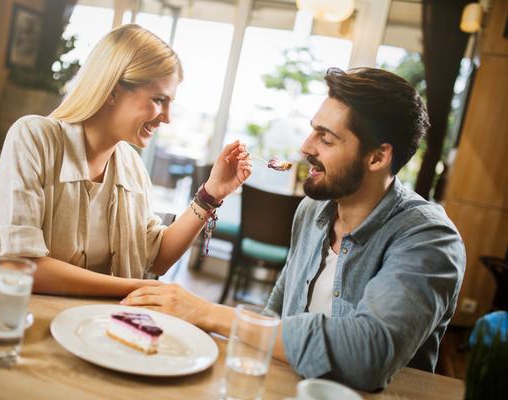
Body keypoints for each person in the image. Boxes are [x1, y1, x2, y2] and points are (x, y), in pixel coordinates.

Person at [121, 67, 466, 391]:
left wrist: (208, 312)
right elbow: (275, 317)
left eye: (326, 139)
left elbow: (367, 356)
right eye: (313, 129)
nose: (306, 147)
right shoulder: (312, 211)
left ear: (378, 157)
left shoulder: (429, 240)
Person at [0, 24, 251, 297]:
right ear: (112, 90)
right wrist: (138, 288)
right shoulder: (34, 137)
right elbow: (17, 264)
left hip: (96, 327)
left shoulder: (131, 166)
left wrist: (211, 193)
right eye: (159, 100)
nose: (167, 117)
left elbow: (155, 255)